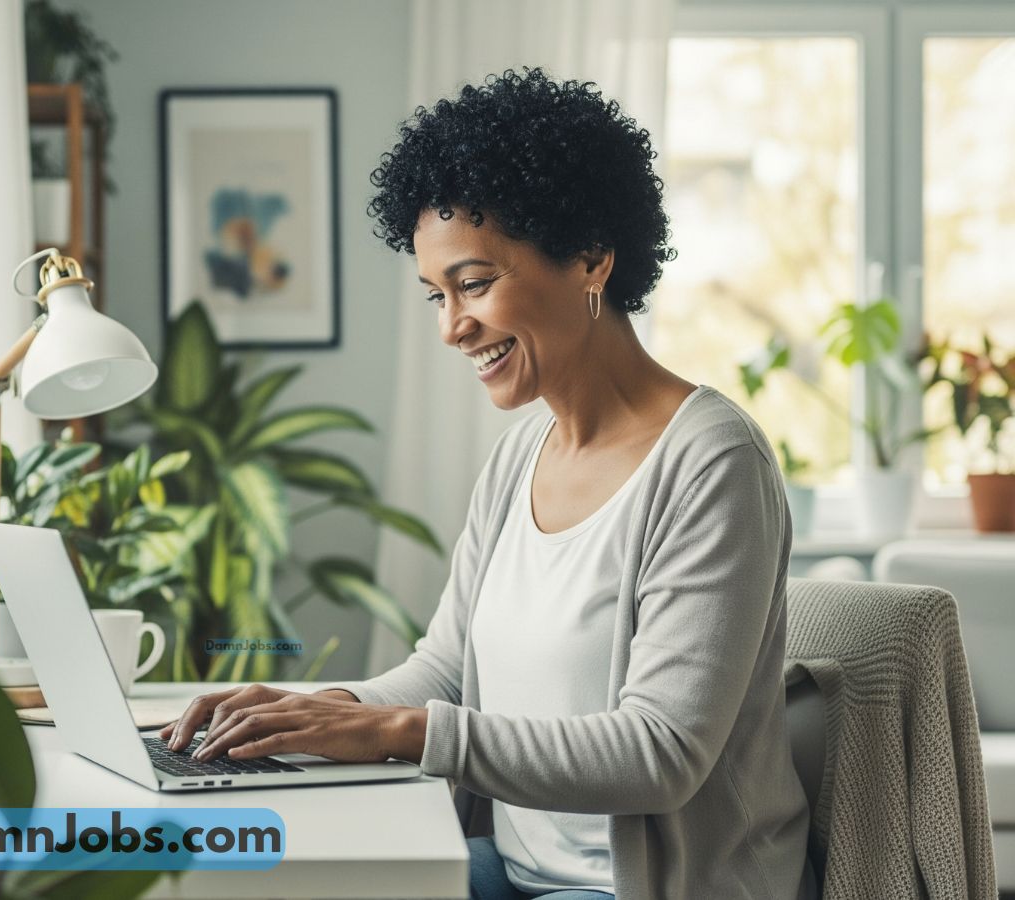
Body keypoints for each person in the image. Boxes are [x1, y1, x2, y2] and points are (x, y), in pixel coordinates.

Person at [163, 66, 816, 900]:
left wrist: (394, 732)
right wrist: (309, 711)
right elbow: (445, 671)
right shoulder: (519, 458)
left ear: (591, 258)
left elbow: (660, 755)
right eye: (437, 294)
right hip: (518, 873)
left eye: (475, 284)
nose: (452, 327)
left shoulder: (711, 463)